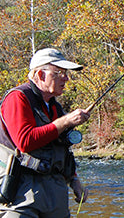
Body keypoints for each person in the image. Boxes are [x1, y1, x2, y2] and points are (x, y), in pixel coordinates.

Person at [0, 48, 90, 217]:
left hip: (55, 191)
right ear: (41, 75)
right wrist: (65, 121)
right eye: (60, 73)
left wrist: (74, 180)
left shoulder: (54, 107)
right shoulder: (17, 98)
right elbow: (25, 141)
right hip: (21, 192)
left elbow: (62, 150)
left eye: (66, 73)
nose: (66, 78)